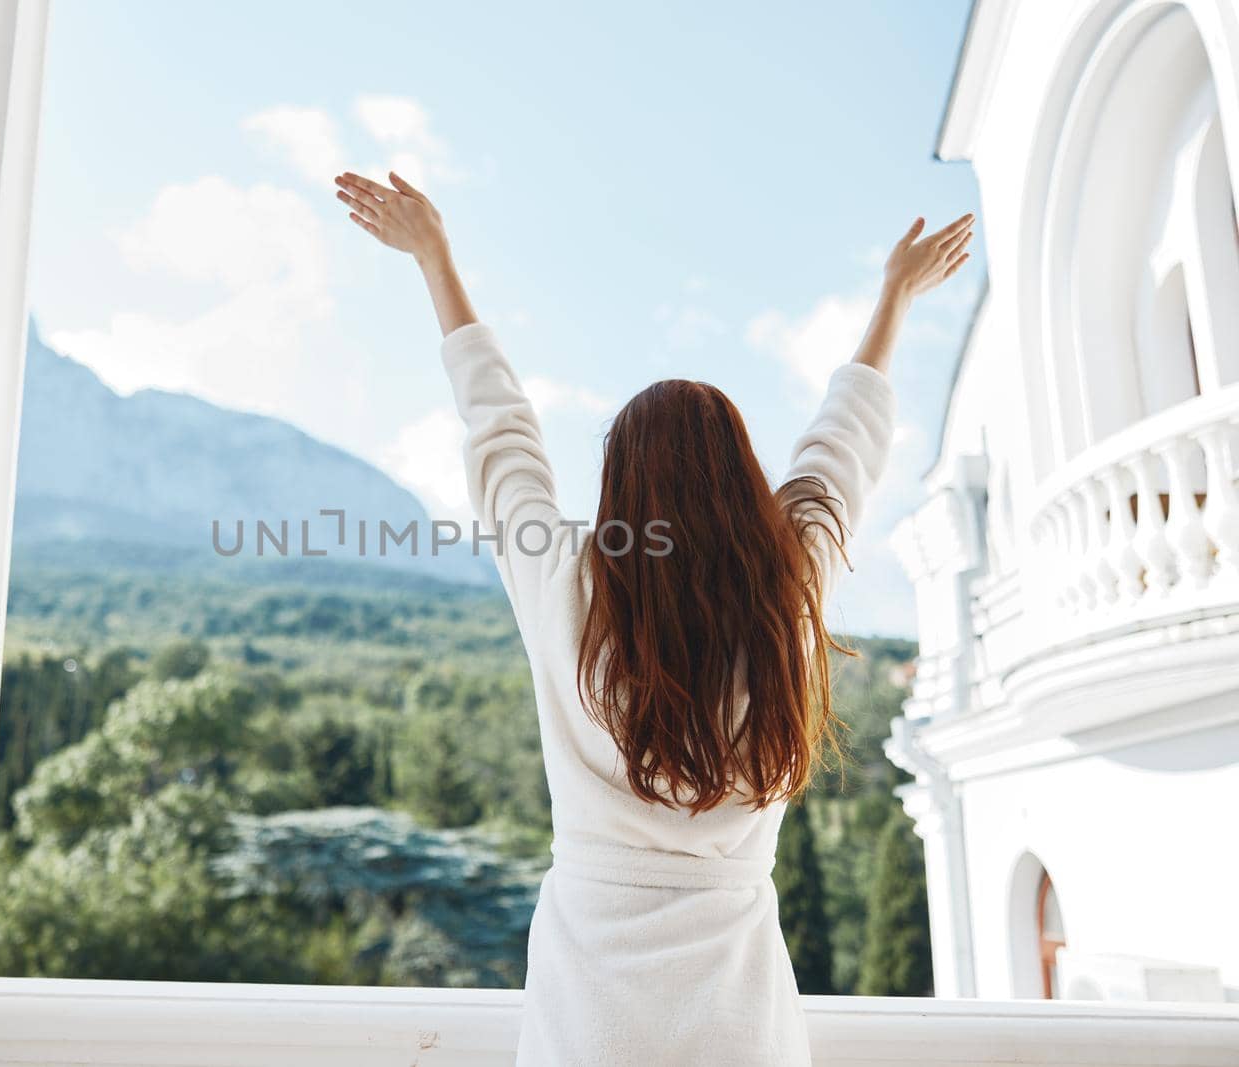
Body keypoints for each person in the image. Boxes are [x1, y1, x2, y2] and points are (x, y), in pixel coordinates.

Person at [335, 170, 972, 1067]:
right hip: (741, 1027)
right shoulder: (784, 596)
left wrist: (434, 257)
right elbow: (842, 450)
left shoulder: (563, 586)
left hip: (588, 1023)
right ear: (743, 480)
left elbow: (501, 430)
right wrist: (896, 298)